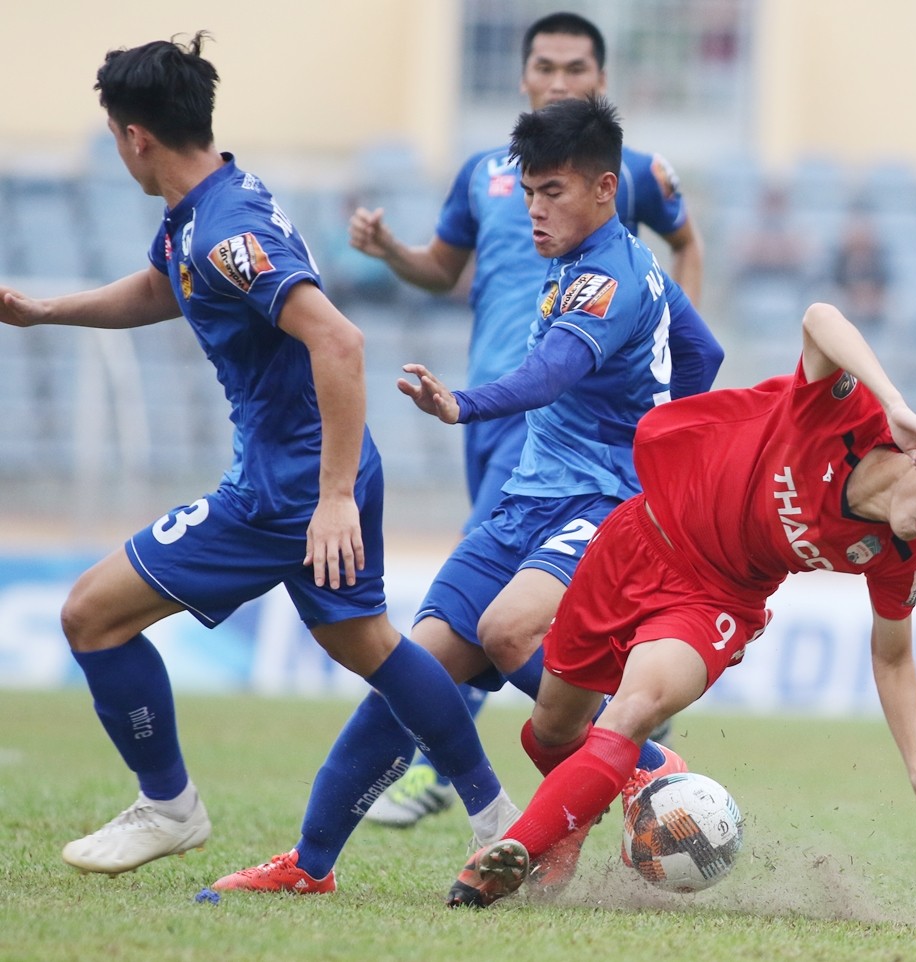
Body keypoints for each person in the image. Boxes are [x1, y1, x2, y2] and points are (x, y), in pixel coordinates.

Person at [0, 33, 516, 881]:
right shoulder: (210, 205)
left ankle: (168, 806)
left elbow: (339, 341)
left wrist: (333, 496)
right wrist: (46, 312)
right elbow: (165, 287)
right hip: (318, 475)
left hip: (285, 491)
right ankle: (496, 815)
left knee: (90, 616)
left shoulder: (227, 230)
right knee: (374, 648)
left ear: (135, 137)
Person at [210, 94, 721, 895]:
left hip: (602, 507)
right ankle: (310, 866)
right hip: (523, 499)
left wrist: (465, 403)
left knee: (507, 630)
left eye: (552, 192)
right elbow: (704, 350)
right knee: (416, 672)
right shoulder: (611, 262)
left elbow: (553, 371)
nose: (534, 210)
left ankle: (643, 758)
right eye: (528, 192)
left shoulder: (612, 278)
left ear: (603, 188)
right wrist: (673, 425)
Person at [446, 301, 916, 908]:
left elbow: (893, 658)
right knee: (550, 735)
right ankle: (580, 819)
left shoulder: (899, 552)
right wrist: (894, 400)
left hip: (719, 601)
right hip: (635, 542)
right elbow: (820, 318)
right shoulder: (846, 412)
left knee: (631, 711)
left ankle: (505, 858)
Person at [349, 11, 708, 828]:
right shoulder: (485, 173)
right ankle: (610, 727)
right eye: (544, 66)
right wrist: (390, 253)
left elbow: (687, 254)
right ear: (522, 77)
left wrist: (668, 377)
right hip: (490, 415)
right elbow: (443, 270)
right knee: (497, 614)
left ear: (600, 81)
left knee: (487, 615)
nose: (557, 81)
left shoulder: (636, 173)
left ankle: (462, 768)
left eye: (575, 68)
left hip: (562, 413)